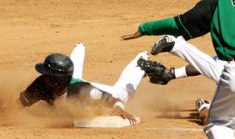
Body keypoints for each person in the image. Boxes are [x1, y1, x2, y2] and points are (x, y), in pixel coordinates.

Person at [122, 0, 235, 138]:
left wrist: (145, 28)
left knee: (219, 124)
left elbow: (178, 24)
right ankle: (176, 47)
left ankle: (177, 45)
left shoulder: (217, 2)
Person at [19, 43, 149, 124]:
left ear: (54, 80)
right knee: (71, 75)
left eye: (47, 74)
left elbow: (112, 100)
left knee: (124, 92)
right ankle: (80, 46)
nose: (43, 76)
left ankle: (142, 60)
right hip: (69, 82)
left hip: (103, 91)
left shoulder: (83, 90)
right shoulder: (41, 83)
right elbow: (19, 104)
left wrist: (120, 109)